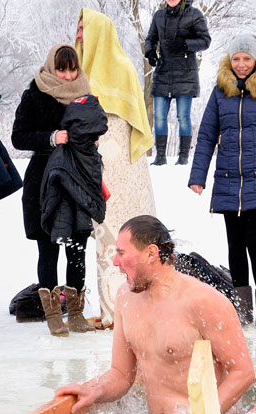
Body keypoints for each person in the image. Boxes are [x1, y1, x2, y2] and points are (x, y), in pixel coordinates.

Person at [56, 215, 255, 414]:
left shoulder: (203, 301)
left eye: (122, 253)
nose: (115, 262)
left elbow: (243, 372)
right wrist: (95, 391)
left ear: (151, 253)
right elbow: (122, 374)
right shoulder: (125, 297)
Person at [188, 34, 256, 327]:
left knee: (255, 242)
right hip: (228, 180)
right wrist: (198, 176)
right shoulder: (220, 92)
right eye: (236, 59)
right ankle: (241, 310)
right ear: (230, 60)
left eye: (246, 59)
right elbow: (207, 135)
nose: (241, 64)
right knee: (234, 245)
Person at [76, 9, 156, 329]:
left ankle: (140, 312)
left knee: (128, 239)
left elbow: (135, 126)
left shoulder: (121, 69)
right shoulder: (77, 74)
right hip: (92, 167)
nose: (79, 32)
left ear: (99, 32)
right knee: (104, 242)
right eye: (78, 27)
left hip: (122, 166)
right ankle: (113, 314)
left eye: (85, 27)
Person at [12, 44, 98, 336]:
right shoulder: (35, 94)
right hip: (44, 181)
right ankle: (52, 315)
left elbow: (98, 129)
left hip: (77, 181)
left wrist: (89, 143)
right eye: (62, 69)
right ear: (52, 67)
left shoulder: (87, 96)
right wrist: (51, 137)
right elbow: (18, 137)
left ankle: (75, 314)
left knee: (77, 248)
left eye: (72, 68)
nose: (67, 75)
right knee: (48, 249)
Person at [145, 0, 210, 165]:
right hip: (163, 72)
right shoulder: (159, 16)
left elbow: (205, 40)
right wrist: (150, 51)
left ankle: (183, 158)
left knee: (183, 116)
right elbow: (150, 38)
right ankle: (160, 157)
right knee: (159, 116)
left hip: (185, 74)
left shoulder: (194, 14)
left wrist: (185, 44)